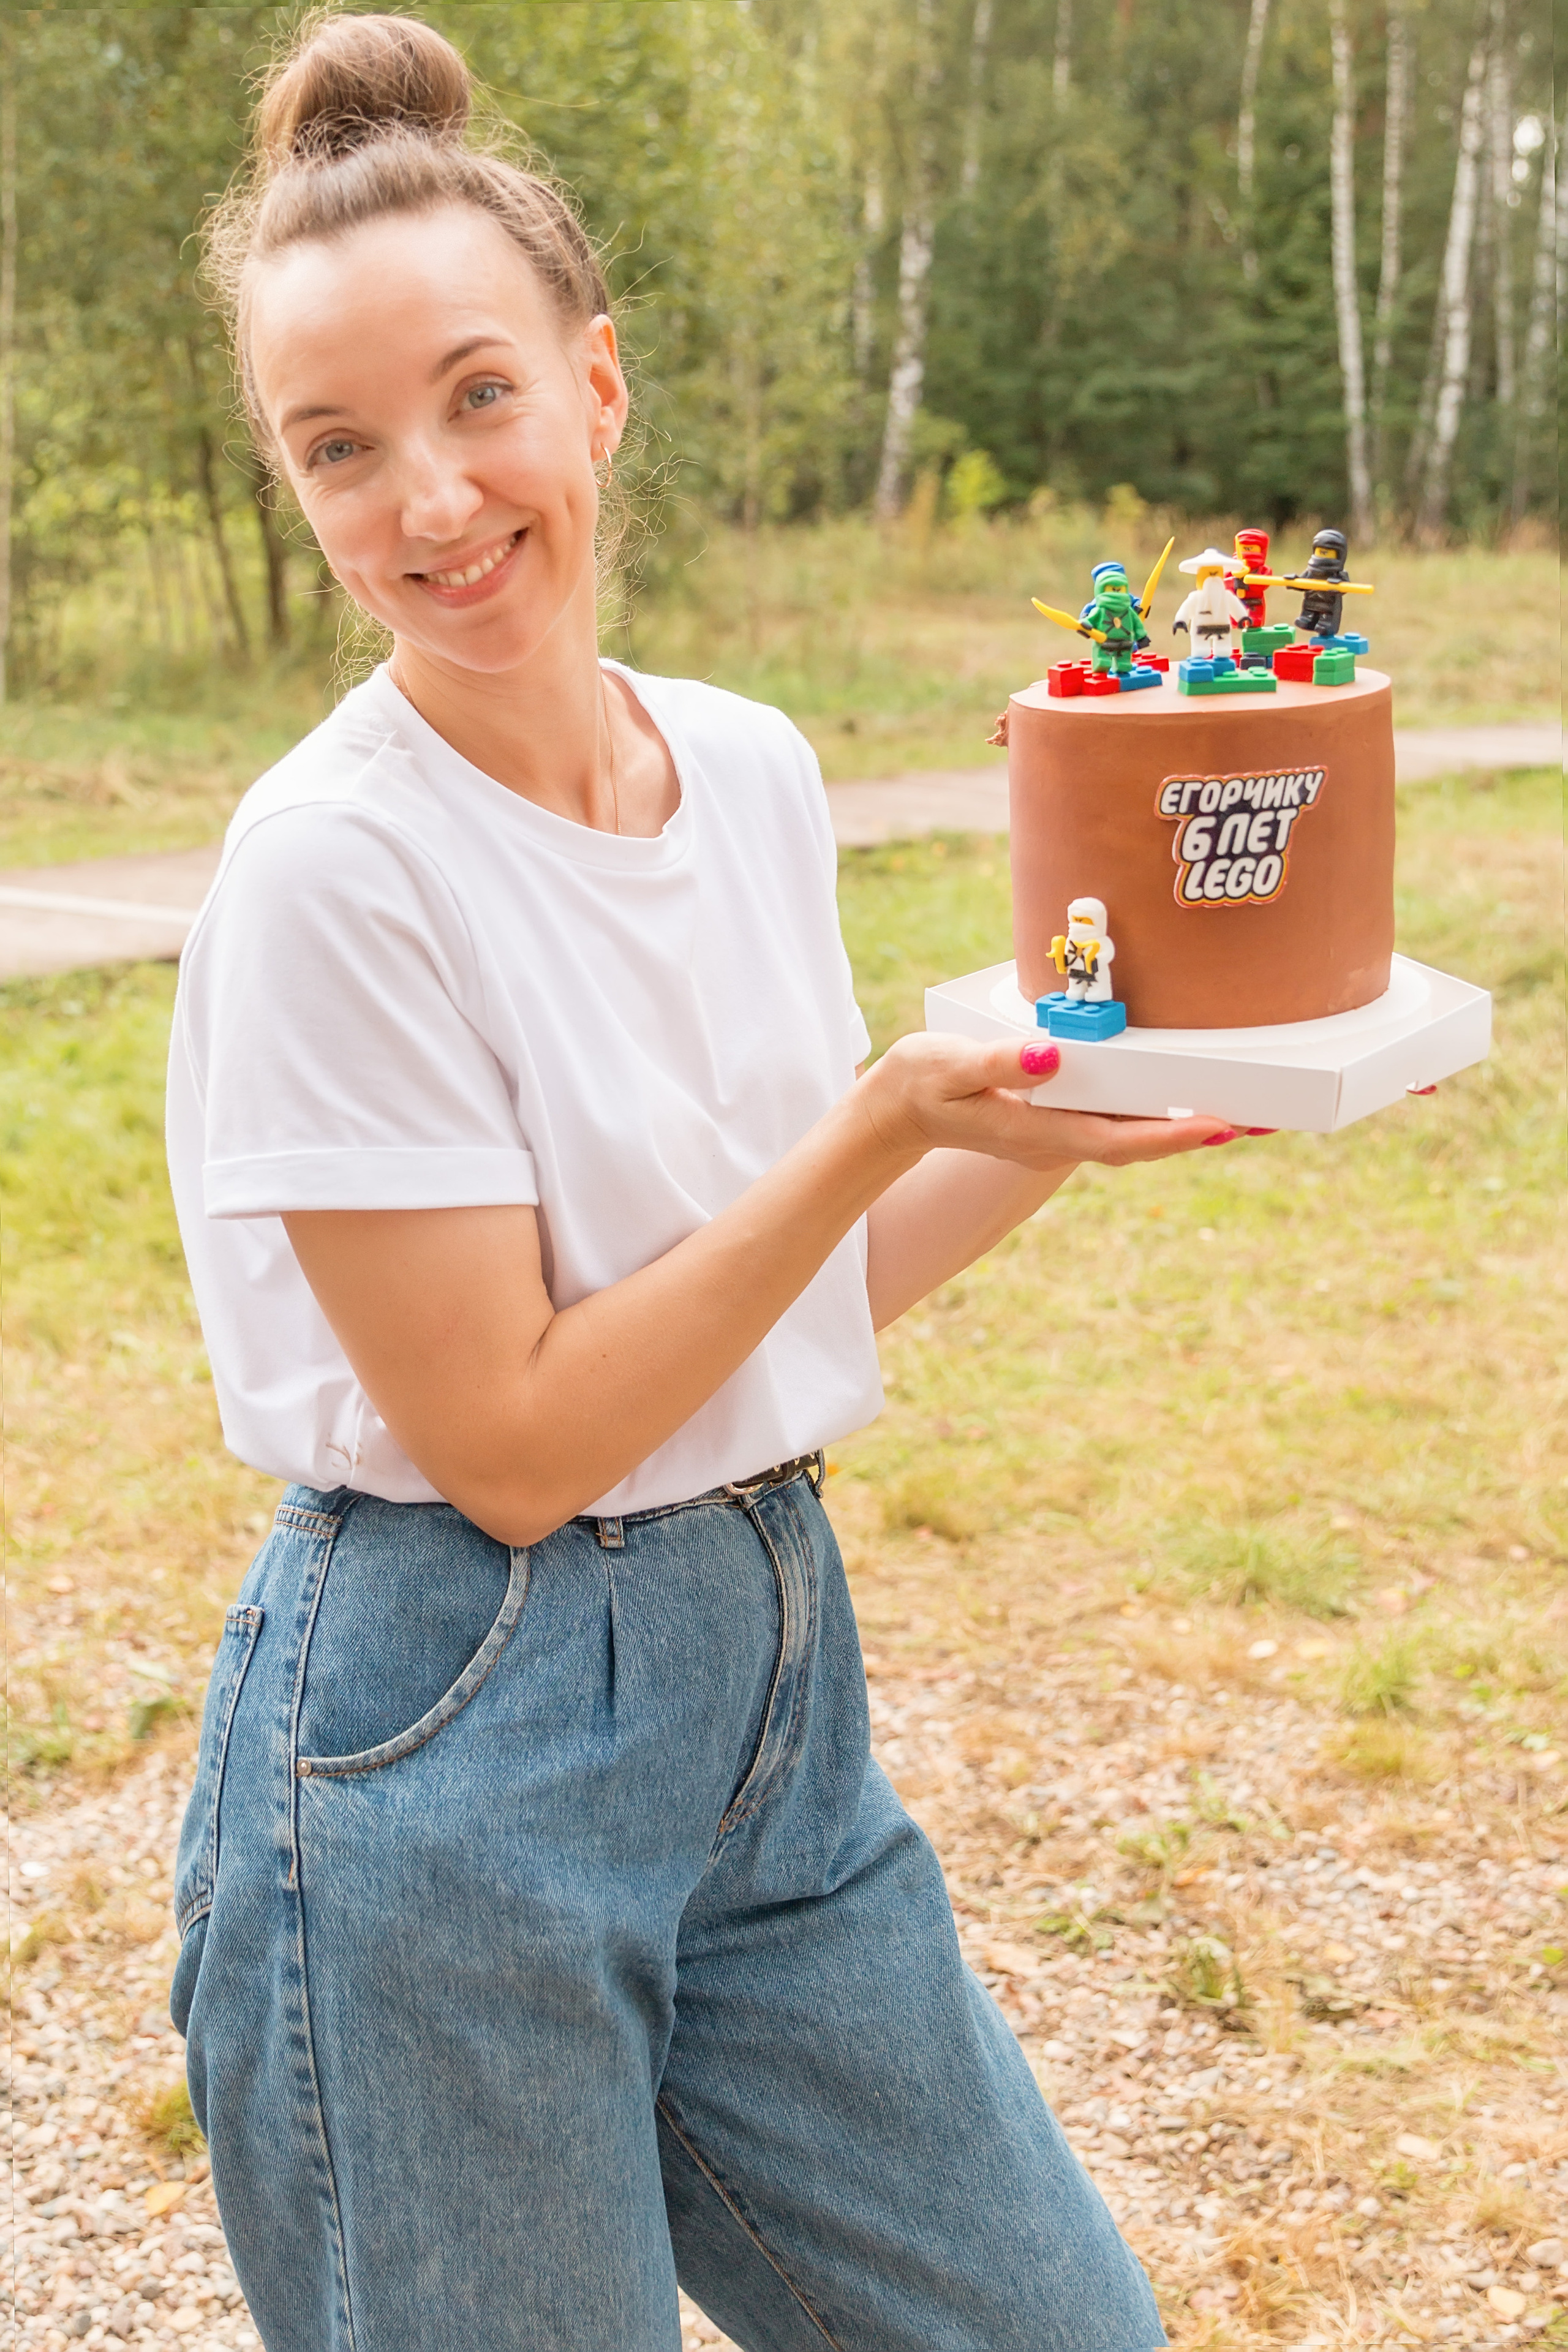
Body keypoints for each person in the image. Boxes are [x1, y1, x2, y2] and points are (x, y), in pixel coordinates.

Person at [165, 18, 1243, 2349]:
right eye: (335, 449)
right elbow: (525, 1443)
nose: (427, 500)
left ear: (599, 387)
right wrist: (879, 1109)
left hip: (772, 1697)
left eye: (477, 398)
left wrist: (1066, 1115)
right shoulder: (335, 869)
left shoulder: (746, 769)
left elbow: (778, 1290)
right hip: (443, 1752)